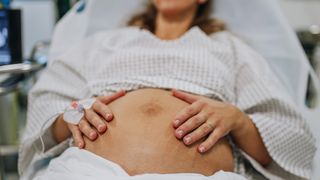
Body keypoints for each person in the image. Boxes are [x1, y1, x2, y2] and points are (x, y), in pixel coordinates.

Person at [19, 0, 316, 179]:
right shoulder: (103, 44)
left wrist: (238, 120)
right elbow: (47, 113)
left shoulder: (231, 50)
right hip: (86, 172)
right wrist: (72, 116)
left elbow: (290, 138)